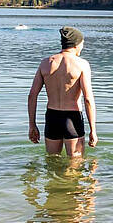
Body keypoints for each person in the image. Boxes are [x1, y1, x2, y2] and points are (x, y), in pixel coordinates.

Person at [28, 26, 98, 157]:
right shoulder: (82, 64)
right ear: (76, 44)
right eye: (82, 44)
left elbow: (32, 95)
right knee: (75, 166)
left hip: (52, 117)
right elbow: (88, 99)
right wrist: (93, 130)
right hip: (72, 118)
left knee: (52, 161)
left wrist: (32, 125)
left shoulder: (45, 63)